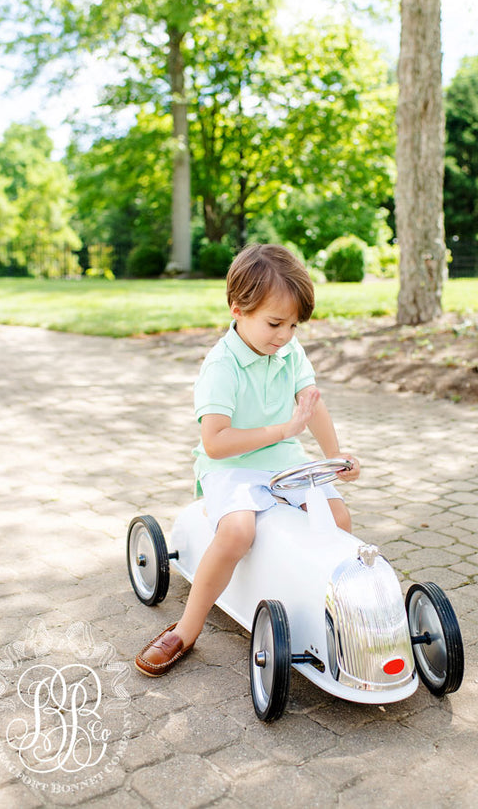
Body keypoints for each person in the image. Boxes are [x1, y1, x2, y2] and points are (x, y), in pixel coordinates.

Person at [135, 243, 360, 676]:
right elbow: (215, 442)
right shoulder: (221, 365)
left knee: (338, 519)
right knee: (239, 530)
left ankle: (320, 612)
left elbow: (312, 404)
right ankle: (186, 628)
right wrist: (283, 430)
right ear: (238, 308)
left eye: (294, 325)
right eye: (275, 323)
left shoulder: (289, 352)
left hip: (283, 458)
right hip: (230, 466)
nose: (285, 335)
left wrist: (336, 457)